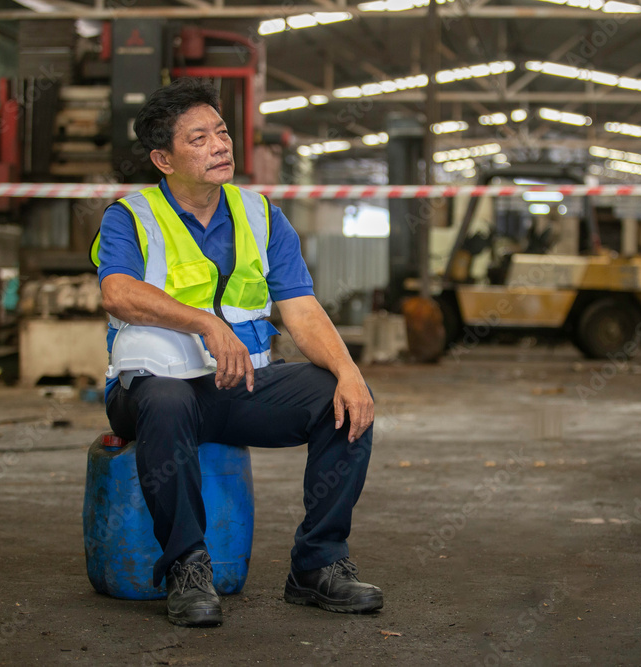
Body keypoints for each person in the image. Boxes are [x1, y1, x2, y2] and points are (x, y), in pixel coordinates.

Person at [91, 78, 381, 627]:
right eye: (198, 138)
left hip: (240, 386)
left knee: (340, 400)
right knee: (169, 401)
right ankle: (187, 567)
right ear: (163, 157)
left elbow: (301, 309)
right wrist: (204, 322)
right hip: (150, 391)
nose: (220, 145)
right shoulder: (129, 217)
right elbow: (118, 292)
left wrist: (348, 371)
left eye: (221, 132)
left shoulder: (261, 215)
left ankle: (317, 566)